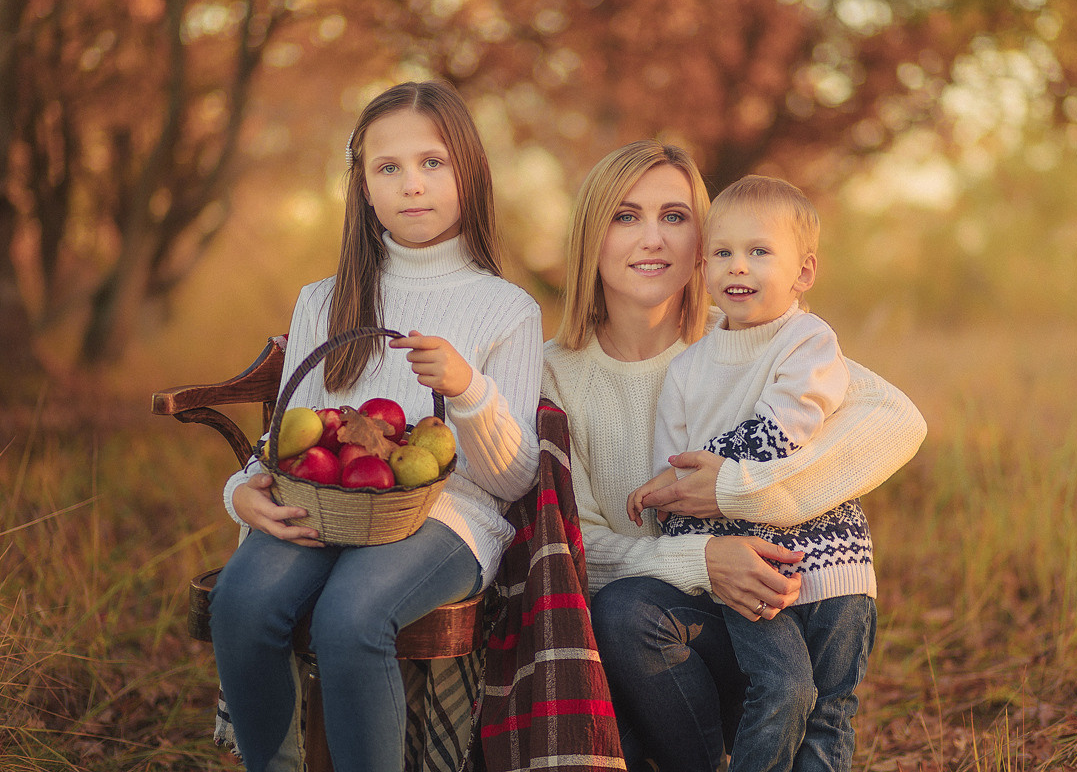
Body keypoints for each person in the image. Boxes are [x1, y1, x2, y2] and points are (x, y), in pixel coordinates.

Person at [541, 140, 926, 772]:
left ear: (702, 239)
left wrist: (740, 490)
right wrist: (704, 558)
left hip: (771, 617)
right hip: (646, 648)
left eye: (674, 217)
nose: (652, 239)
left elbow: (897, 422)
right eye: (625, 216)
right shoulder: (551, 373)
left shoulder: (747, 336)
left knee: (803, 701)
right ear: (591, 234)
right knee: (624, 613)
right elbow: (575, 545)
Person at [208, 80, 542, 772]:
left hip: (450, 517)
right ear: (362, 186)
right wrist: (243, 488)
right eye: (388, 168)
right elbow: (292, 440)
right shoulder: (324, 300)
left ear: (468, 173)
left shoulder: (505, 309)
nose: (411, 185)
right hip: (327, 504)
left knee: (352, 616)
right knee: (243, 602)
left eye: (432, 163)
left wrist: (468, 390)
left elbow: (513, 478)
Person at [629, 174, 874, 771]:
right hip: (747, 572)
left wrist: (714, 477)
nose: (738, 268)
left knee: (830, 707)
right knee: (783, 688)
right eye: (722, 253)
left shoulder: (809, 341)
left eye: (760, 252)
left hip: (833, 562)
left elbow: (788, 426)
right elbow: (678, 471)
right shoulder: (688, 371)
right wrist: (668, 492)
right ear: (703, 266)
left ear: (804, 273)